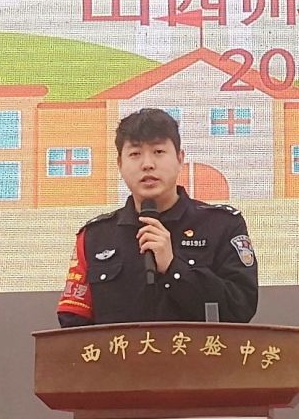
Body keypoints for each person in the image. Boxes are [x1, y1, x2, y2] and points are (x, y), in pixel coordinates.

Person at [55, 106, 259, 327]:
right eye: (135, 154)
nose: (147, 164)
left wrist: (174, 268)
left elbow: (241, 307)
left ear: (180, 159)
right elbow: (72, 321)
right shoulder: (95, 237)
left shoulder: (222, 225)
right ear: (119, 164)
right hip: (120, 351)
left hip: (193, 351)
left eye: (159, 152)